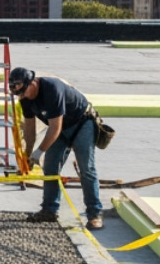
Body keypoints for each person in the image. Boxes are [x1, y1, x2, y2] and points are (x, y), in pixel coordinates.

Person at [10, 67, 103, 230]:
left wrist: (39, 152)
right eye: (19, 94)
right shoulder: (24, 98)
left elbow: (55, 128)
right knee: (50, 167)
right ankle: (49, 210)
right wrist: (27, 155)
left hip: (81, 123)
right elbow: (30, 130)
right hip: (60, 128)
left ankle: (94, 213)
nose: (22, 97)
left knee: (86, 168)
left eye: (23, 92)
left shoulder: (52, 88)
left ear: (32, 83)